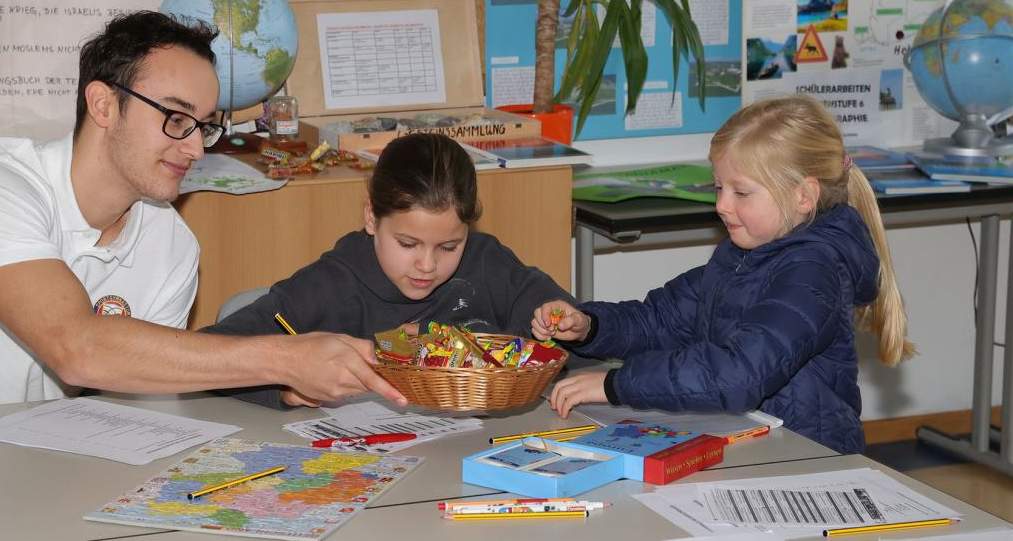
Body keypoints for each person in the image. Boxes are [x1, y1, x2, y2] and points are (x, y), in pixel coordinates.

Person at [0, 11, 403, 418]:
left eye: (205, 126)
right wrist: (286, 358)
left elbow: (134, 400)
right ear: (103, 105)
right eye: (176, 118)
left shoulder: (172, 246)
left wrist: (286, 386)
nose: (194, 149)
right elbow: (77, 349)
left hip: (33, 472)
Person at [531, 95, 914, 454]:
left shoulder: (813, 273)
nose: (721, 205)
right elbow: (661, 320)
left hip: (807, 458)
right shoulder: (741, 256)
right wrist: (590, 326)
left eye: (740, 193)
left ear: (803, 196)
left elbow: (738, 375)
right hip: (761, 446)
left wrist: (615, 384)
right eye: (718, 187)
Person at [206, 133, 582, 408]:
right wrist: (288, 390)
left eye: (449, 247)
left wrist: (561, 319)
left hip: (468, 459)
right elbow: (214, 356)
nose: (427, 265)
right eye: (407, 244)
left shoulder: (487, 264)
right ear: (371, 217)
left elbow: (568, 340)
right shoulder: (329, 284)